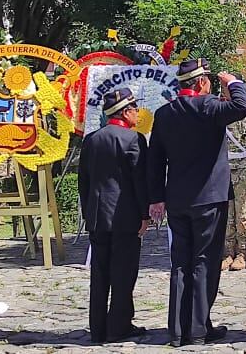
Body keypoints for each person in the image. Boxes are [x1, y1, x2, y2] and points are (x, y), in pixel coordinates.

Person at [147, 58, 246, 347]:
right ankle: (197, 328)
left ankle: (179, 329)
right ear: (202, 82)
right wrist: (232, 82)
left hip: (178, 199)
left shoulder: (165, 113)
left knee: (181, 262)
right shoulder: (209, 107)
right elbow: (242, 106)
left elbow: (154, 160)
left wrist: (156, 197)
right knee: (205, 261)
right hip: (210, 199)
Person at [79, 88, 150, 344]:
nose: (138, 113)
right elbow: (138, 181)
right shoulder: (134, 140)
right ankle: (118, 326)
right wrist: (145, 214)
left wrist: (89, 211)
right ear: (125, 111)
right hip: (125, 215)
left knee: (99, 274)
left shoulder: (91, 139)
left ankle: (97, 327)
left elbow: (84, 182)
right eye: (134, 109)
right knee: (123, 274)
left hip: (98, 217)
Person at [221, 88, 246, 272]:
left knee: (242, 212)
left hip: (245, 165)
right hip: (223, 167)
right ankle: (227, 252)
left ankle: (242, 253)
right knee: (227, 213)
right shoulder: (220, 108)